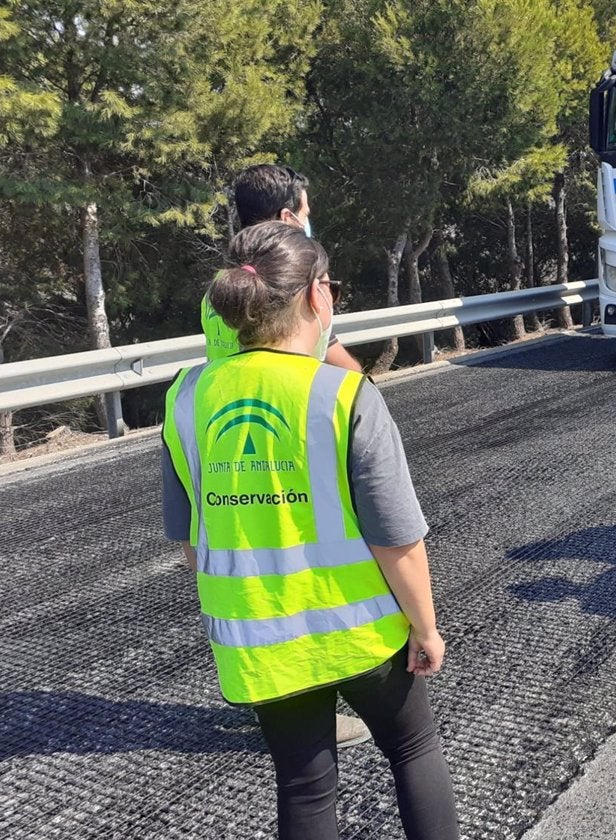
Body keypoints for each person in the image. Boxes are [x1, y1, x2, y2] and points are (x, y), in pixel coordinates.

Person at [163, 223, 459, 839]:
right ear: (316, 296)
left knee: (303, 785)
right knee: (413, 752)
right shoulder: (342, 393)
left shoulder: (187, 397)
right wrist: (426, 628)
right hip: (364, 633)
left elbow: (192, 537)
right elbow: (396, 536)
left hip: (261, 640)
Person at [206, 164, 369, 748]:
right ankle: (315, 701)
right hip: (292, 439)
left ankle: (273, 695)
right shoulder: (296, 282)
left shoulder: (225, 287)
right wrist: (364, 400)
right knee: (310, 573)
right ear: (285, 217)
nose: (308, 215)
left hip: (229, 444)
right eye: (305, 207)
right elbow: (327, 354)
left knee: (254, 574)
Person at [203, 164, 362, 374]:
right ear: (287, 217)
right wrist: (362, 390)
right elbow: (325, 349)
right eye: (304, 215)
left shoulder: (218, 285)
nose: (306, 223)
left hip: (223, 400)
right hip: (288, 400)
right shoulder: (300, 278)